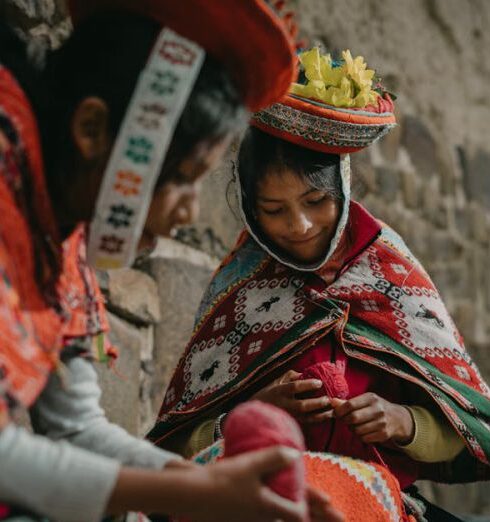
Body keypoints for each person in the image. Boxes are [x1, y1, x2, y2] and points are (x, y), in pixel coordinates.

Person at [0, 2, 340, 521]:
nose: (188, 211)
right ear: (92, 129)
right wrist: (194, 496)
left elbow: (77, 429)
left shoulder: (62, 232)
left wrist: (214, 486)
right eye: (182, 177)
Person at [150, 47, 490, 519]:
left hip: (374, 499)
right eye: (274, 210)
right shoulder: (240, 290)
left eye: (315, 200)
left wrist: (403, 423)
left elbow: (470, 430)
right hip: (255, 498)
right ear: (250, 210)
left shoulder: (393, 275)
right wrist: (249, 416)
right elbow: (177, 445)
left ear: (343, 190)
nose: (301, 225)